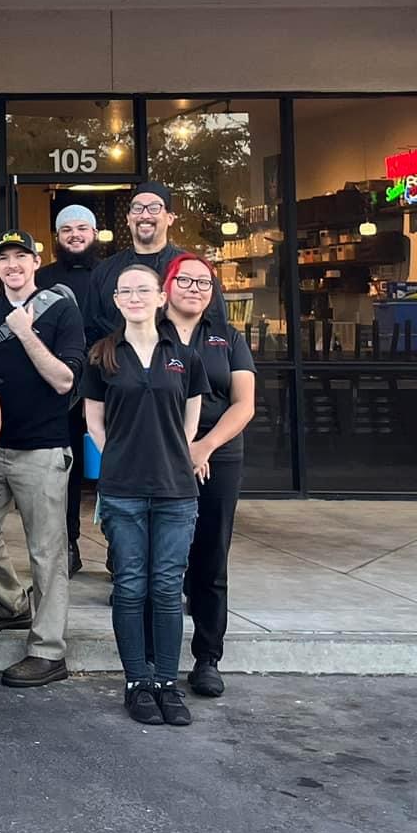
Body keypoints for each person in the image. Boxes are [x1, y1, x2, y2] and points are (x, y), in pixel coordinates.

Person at [84, 262, 204, 727]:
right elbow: (93, 419)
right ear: (116, 301)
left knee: (168, 588)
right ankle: (137, 681)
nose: (134, 297)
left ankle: (167, 684)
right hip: (123, 489)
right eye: (125, 291)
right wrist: (112, 453)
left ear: (160, 297)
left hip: (176, 489)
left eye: (144, 290)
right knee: (131, 586)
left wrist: (182, 451)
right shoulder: (102, 355)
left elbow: (192, 415)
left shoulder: (184, 355)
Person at [0, 230, 85, 689]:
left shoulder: (61, 309)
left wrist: (26, 333)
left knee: (47, 551)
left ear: (36, 262)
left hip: (44, 449)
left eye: (21, 256)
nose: (13, 265)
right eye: (5, 259)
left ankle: (47, 650)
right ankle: (10, 605)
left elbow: (64, 380)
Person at [158, 254, 255, 701]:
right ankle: (155, 660)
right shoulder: (146, 334)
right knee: (159, 559)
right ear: (167, 286)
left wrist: (204, 446)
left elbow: (243, 404)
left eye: (204, 282)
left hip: (218, 455)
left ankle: (207, 657)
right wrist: (179, 450)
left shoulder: (227, 338)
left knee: (210, 556)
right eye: (185, 280)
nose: (195, 289)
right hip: (158, 456)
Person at [38, 204, 102, 574]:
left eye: (82, 228)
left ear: (94, 234)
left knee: (113, 468)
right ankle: (69, 544)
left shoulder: (111, 274)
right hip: (59, 390)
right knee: (65, 471)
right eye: (67, 230)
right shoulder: (44, 278)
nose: (75, 235)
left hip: (106, 385)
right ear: (57, 237)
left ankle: (117, 549)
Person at [85, 181, 225, 343]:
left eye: (154, 208)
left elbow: (216, 325)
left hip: (182, 365)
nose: (145, 215)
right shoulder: (104, 272)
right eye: (137, 208)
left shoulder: (193, 268)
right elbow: (90, 332)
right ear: (128, 219)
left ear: (170, 218)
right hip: (119, 365)